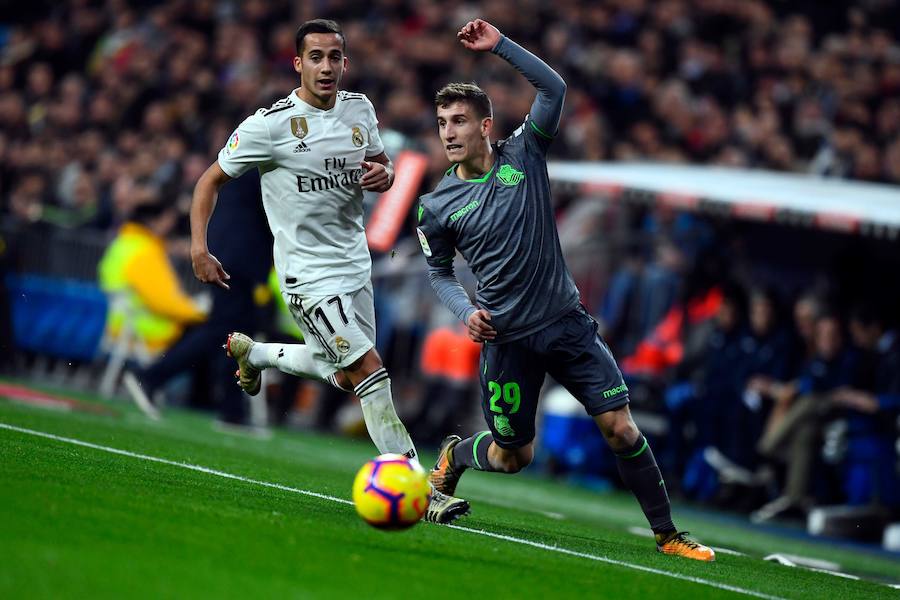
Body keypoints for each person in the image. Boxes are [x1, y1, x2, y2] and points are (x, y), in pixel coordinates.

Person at [417, 19, 714, 560]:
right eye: (442, 123)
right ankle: (456, 457)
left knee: (620, 429)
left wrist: (501, 46)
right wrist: (465, 311)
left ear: (486, 125)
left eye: (459, 121)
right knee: (514, 457)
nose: (449, 133)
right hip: (507, 339)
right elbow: (439, 273)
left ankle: (668, 535)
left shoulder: (523, 154)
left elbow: (554, 88)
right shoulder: (436, 207)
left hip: (565, 322)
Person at [187, 19, 468, 524]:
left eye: (334, 57)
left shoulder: (360, 110)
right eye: (315, 57)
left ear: (345, 63)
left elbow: (381, 167)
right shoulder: (269, 126)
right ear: (298, 63)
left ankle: (257, 354)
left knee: (345, 374)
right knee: (369, 369)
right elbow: (209, 181)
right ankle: (421, 487)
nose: (326, 67)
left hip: (355, 267)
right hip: (307, 276)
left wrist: (384, 175)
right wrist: (199, 248)